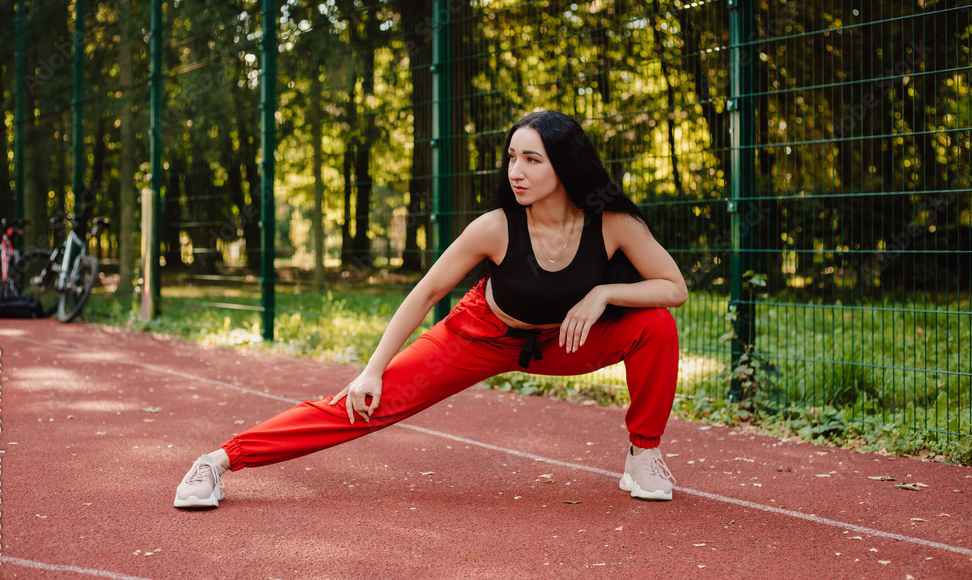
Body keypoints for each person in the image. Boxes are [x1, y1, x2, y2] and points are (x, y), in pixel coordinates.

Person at [174, 110, 688, 509]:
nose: (517, 171)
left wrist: (603, 294)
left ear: (566, 164)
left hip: (561, 342)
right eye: (512, 157)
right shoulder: (494, 227)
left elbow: (673, 287)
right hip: (478, 336)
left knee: (655, 326)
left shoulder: (612, 222)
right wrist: (371, 371)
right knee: (358, 406)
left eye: (533, 159)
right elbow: (423, 294)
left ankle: (644, 455)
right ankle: (218, 461)